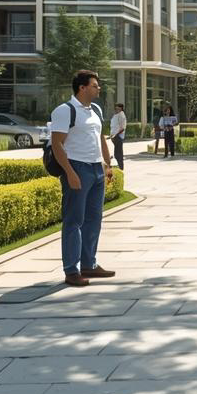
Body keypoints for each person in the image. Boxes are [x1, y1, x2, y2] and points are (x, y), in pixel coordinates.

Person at [50, 70, 116, 287]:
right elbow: (57, 144)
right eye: (95, 85)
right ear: (82, 88)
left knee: (93, 220)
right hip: (77, 168)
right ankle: (71, 270)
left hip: (96, 168)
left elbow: (101, 138)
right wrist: (70, 172)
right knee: (74, 221)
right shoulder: (65, 111)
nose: (99, 88)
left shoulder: (95, 109)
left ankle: (89, 264)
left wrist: (108, 165)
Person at [109, 103, 127, 170]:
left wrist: (115, 135)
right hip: (114, 136)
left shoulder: (121, 115)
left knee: (118, 154)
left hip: (118, 137)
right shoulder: (116, 115)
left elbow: (122, 128)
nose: (116, 109)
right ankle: (117, 168)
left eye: (118, 108)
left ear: (121, 108)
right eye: (116, 108)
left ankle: (120, 168)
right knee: (116, 154)